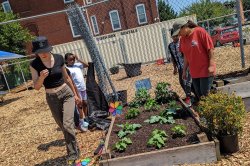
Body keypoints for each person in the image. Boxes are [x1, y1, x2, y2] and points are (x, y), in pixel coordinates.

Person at [30, 36, 81, 163]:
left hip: (66, 94)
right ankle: (75, 147)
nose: (43, 54)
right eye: (40, 52)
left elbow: (67, 78)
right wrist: (41, 77)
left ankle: (73, 154)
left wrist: (75, 94)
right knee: (63, 127)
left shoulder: (58, 58)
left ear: (49, 49)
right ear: (36, 52)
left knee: (68, 124)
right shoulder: (34, 64)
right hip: (51, 97)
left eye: (45, 50)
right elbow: (36, 87)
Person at [171, 20, 216, 100]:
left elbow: (210, 49)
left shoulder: (200, 31)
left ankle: (212, 110)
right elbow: (186, 56)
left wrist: (211, 65)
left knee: (205, 95)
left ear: (184, 27)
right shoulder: (182, 39)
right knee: (199, 95)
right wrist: (184, 70)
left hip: (205, 70)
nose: (179, 35)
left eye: (179, 32)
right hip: (194, 72)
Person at [65, 53, 89, 131]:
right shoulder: (66, 68)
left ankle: (87, 118)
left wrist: (78, 59)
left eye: (73, 59)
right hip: (76, 89)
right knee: (80, 105)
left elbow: (86, 65)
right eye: (70, 60)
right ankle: (81, 122)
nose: (72, 61)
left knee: (85, 103)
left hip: (83, 87)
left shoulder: (77, 65)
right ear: (66, 60)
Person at [168, 30, 193, 106]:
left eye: (176, 36)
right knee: (182, 82)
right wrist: (175, 68)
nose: (175, 37)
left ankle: (189, 98)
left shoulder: (182, 42)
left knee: (187, 82)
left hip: (186, 65)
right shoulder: (170, 46)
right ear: (171, 36)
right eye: (173, 36)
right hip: (179, 67)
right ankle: (189, 96)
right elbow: (173, 57)